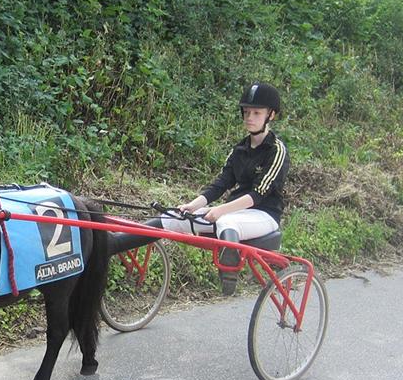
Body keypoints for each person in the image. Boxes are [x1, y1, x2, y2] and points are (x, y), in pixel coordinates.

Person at [110, 81, 290, 295]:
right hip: (235, 212)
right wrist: (192, 205)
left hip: (263, 214)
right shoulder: (239, 149)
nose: (249, 117)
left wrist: (221, 210)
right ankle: (111, 245)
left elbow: (258, 195)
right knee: (173, 217)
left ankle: (229, 277)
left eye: (256, 113)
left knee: (226, 221)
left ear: (271, 115)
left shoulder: (277, 150)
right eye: (246, 112)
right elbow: (221, 183)